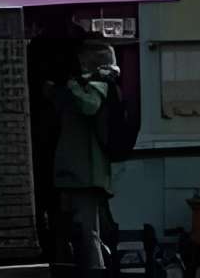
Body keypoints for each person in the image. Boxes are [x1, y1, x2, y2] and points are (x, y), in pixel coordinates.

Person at [50, 38, 120, 271]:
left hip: (87, 172)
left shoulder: (99, 83)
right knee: (81, 230)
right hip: (77, 171)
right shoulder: (89, 83)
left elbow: (90, 106)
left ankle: (96, 270)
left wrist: (72, 85)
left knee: (89, 231)